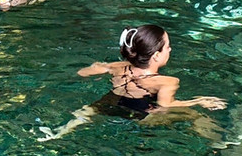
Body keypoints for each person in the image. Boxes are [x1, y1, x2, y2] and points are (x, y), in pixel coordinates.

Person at [37, 24, 227, 142]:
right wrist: (198, 100)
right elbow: (165, 106)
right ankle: (221, 142)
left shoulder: (117, 67)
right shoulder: (168, 81)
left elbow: (82, 72)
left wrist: (99, 67)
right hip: (141, 114)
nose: (170, 49)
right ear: (157, 55)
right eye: (168, 46)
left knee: (84, 113)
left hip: (108, 105)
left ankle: (57, 134)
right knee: (194, 116)